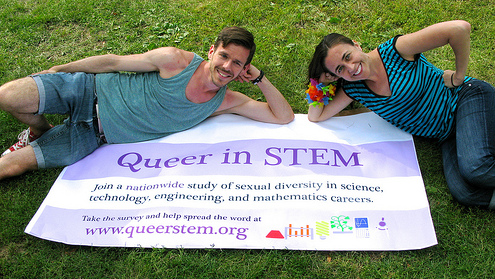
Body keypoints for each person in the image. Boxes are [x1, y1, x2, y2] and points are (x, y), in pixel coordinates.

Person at [0, 27, 294, 180]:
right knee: (8, 96)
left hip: (92, 136)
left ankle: (40, 135)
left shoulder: (226, 100)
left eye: (238, 64)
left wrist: (259, 79)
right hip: (87, 90)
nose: (228, 66)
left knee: (10, 166)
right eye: (224, 56)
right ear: (212, 51)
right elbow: (113, 62)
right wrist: (58, 71)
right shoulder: (176, 61)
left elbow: (283, 117)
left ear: (244, 69)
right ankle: (39, 130)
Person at [306, 20, 495, 209]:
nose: (351, 68)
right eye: (340, 69)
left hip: (465, 99)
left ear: (356, 45)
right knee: (464, 192)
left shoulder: (396, 51)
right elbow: (316, 116)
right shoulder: (354, 89)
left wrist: (458, 76)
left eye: (347, 56)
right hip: (446, 134)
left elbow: (459, 28)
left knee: (476, 168)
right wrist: (319, 82)